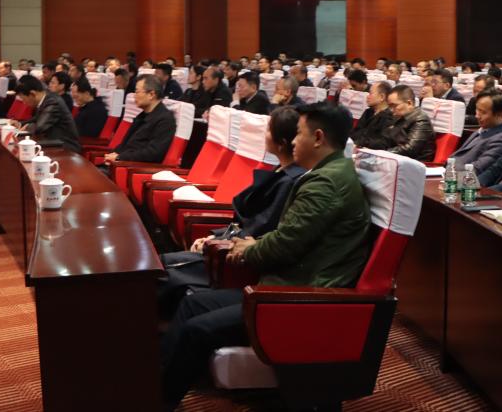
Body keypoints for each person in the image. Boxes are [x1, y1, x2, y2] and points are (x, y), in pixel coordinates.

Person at [160, 102, 371, 409]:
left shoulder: (327, 183)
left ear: (318, 138)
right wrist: (253, 244)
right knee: (192, 303)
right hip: (278, 285)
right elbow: (289, 236)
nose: (293, 141)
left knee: (196, 331)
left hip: (295, 298)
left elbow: (285, 244)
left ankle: (158, 400)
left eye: (299, 133)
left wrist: (250, 249)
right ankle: (155, 382)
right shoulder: (330, 172)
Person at [157, 107, 307, 318]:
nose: (264, 135)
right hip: (227, 245)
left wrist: (218, 240)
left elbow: (259, 228)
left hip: (236, 257)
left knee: (162, 269)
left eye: (268, 130)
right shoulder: (280, 171)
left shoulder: (290, 181)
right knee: (161, 263)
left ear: (281, 142)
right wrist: (215, 235)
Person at [104, 75, 175, 165]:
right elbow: (126, 144)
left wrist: (119, 157)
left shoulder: (165, 120)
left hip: (133, 167)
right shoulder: (143, 115)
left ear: (151, 95)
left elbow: (153, 153)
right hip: (121, 162)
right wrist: (112, 154)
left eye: (137, 92)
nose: (134, 96)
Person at [450, 88, 502, 185]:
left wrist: (449, 173)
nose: (477, 116)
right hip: (452, 175)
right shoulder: (485, 128)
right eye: (477, 109)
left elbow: (476, 170)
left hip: (466, 184)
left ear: (499, 114)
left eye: (483, 112)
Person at [12, 75, 81, 153]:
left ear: (32, 94)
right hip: (52, 142)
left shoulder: (53, 101)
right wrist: (20, 123)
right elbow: (37, 118)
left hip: (66, 147)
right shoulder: (46, 97)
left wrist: (28, 127)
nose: (24, 103)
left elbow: (40, 127)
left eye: (23, 99)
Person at [379, 85, 437, 162]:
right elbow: (385, 140)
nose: (391, 110)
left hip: (417, 163)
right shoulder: (397, 117)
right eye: (389, 106)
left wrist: (383, 154)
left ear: (409, 103)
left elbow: (410, 149)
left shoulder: (421, 120)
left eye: (394, 105)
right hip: (397, 159)